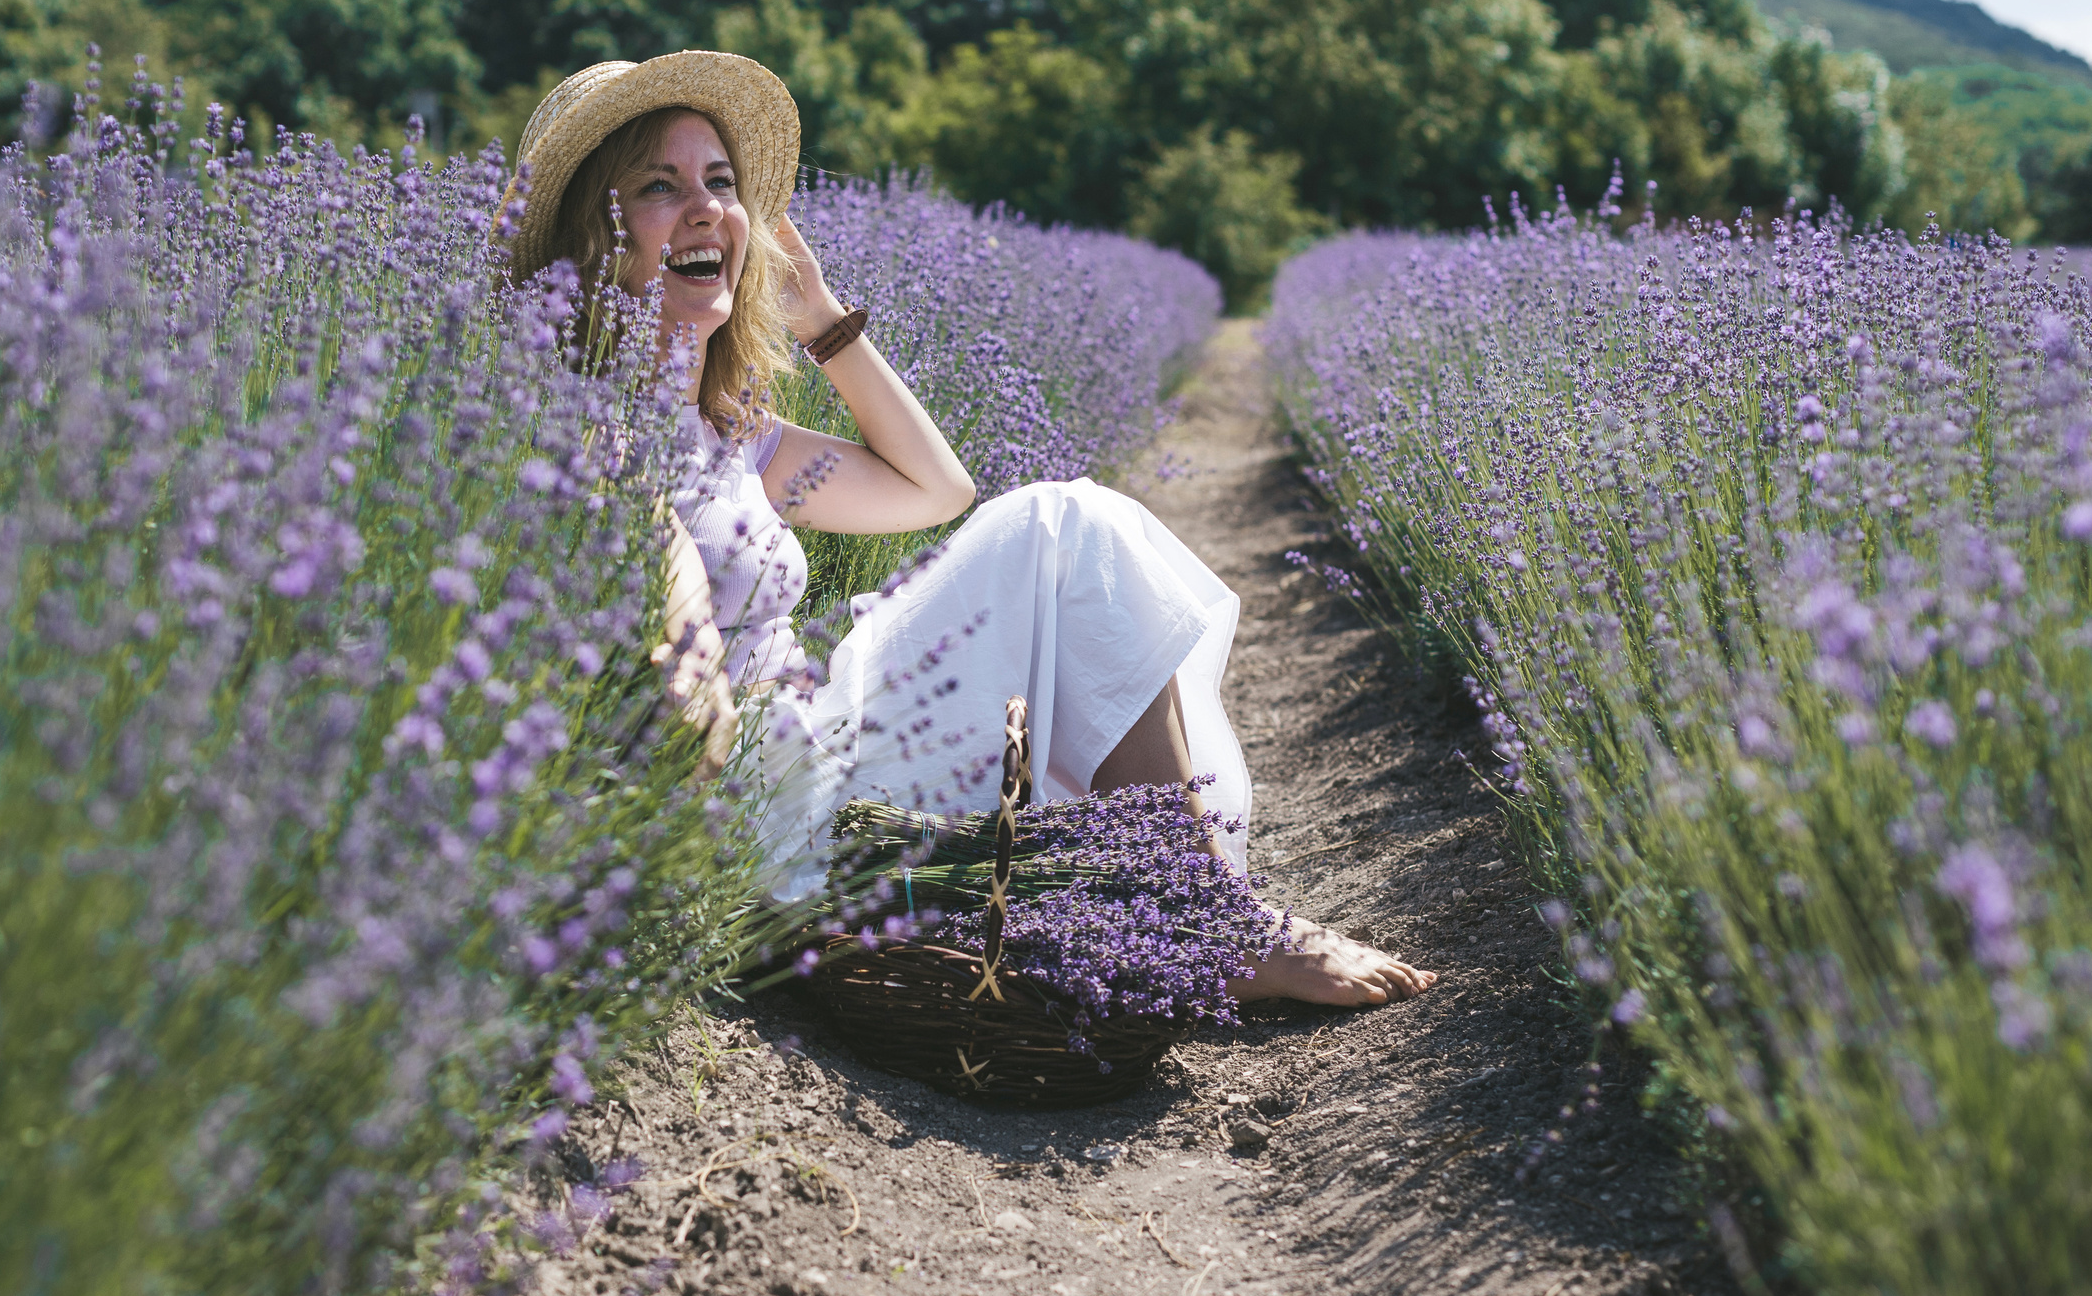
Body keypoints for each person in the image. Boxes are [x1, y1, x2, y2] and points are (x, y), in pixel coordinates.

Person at [496, 51, 1433, 1006]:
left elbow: (934, 489)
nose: (707, 209)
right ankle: (1208, 923)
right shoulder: (582, 420)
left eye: (722, 182)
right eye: (660, 187)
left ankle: (1189, 907)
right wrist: (687, 624)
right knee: (1063, 523)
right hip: (769, 812)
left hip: (820, 749)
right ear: (592, 244)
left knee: (1072, 524)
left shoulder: (731, 432)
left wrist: (821, 319)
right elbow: (650, 551)